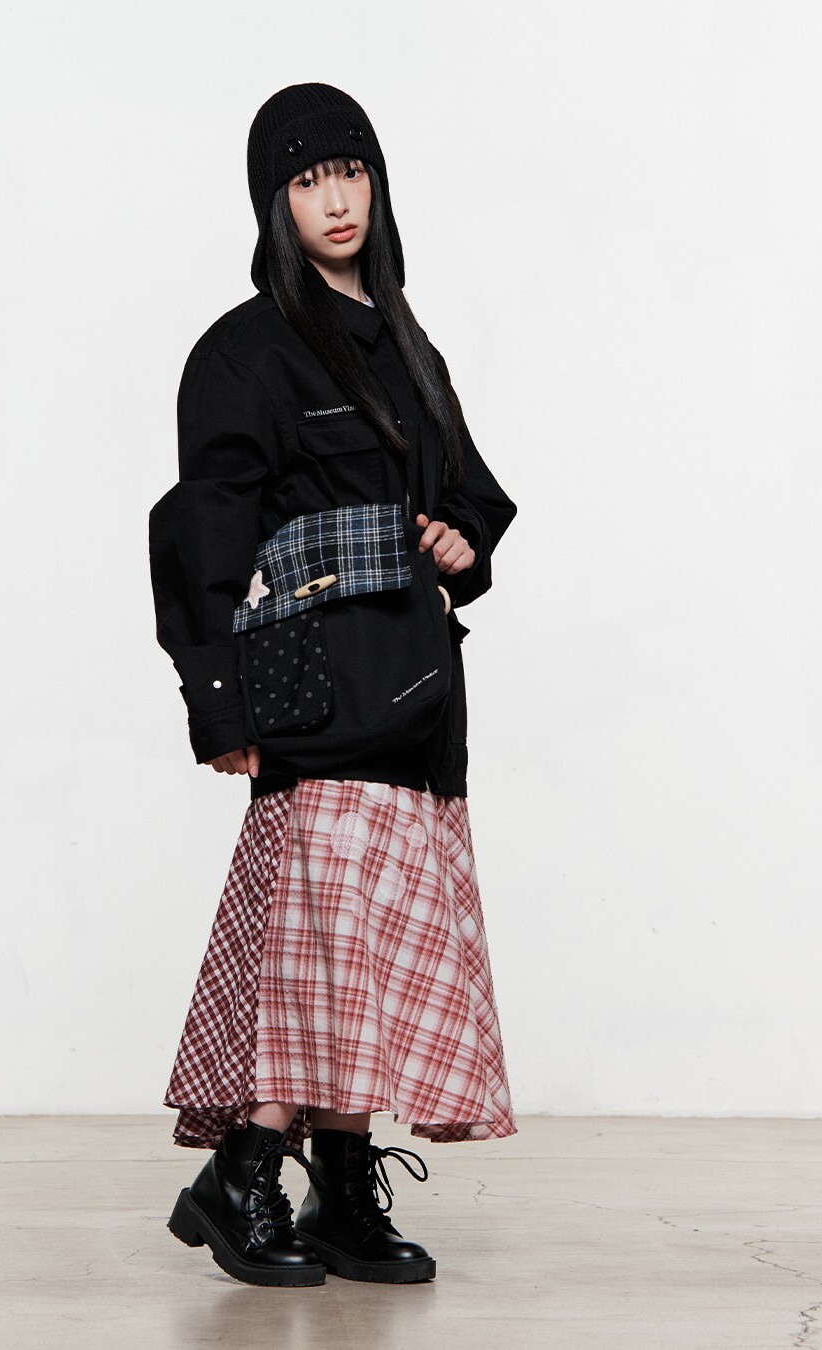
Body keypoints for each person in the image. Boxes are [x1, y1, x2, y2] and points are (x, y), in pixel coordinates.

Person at [148, 82, 519, 1289]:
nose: (336, 199)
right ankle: (242, 1174)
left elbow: (467, 490)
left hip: (415, 690)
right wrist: (218, 704)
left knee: (365, 947)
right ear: (277, 203)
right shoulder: (244, 352)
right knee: (321, 942)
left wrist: (461, 536)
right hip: (314, 692)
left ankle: (342, 1190)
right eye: (307, 181)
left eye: (349, 171)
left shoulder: (408, 342)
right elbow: (203, 531)